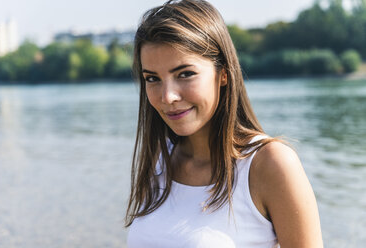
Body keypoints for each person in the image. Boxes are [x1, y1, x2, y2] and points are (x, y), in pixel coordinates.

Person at [125, 0, 323, 247]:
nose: (168, 97)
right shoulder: (159, 159)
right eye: (152, 78)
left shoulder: (269, 164)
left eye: (185, 74)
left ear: (223, 74)